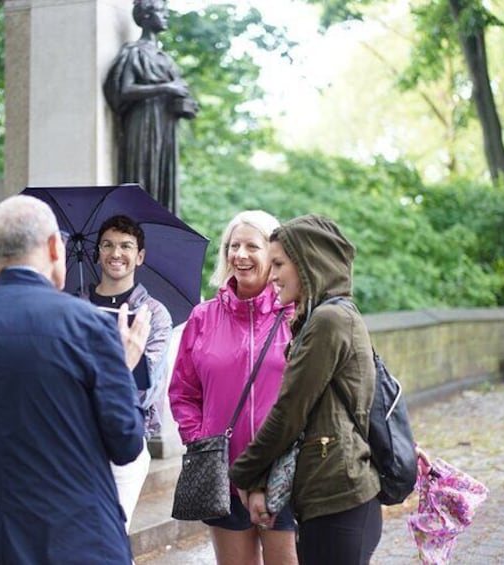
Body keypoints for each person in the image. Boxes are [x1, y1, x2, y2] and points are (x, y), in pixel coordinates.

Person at [0, 195, 149, 564]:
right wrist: (125, 366)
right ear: (55, 246)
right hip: (80, 537)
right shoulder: (87, 325)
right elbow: (127, 442)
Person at [229, 214, 383, 565]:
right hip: (329, 496)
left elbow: (289, 412)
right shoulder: (323, 318)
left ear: (307, 263)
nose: (273, 274)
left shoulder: (329, 321)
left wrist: (243, 474)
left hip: (340, 497)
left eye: (280, 263)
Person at [169, 210, 297, 565]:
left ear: (274, 255)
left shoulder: (295, 315)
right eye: (233, 245)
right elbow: (183, 391)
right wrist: (200, 440)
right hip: (222, 474)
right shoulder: (203, 317)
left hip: (283, 473)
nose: (239, 255)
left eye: (251, 246)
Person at [85, 214, 173, 532]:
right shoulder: (75, 306)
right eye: (107, 245)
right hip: (78, 436)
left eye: (125, 245)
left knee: (110, 533)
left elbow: (145, 384)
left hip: (127, 436)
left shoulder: (154, 314)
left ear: (140, 256)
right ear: (97, 252)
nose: (115, 253)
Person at [103, 0, 198, 216]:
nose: (166, 16)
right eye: (160, 11)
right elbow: (124, 90)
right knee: (143, 177)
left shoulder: (166, 58)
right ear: (145, 16)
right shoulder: (134, 52)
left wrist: (184, 104)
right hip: (143, 123)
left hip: (166, 126)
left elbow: (176, 90)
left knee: (163, 181)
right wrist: (165, 87)